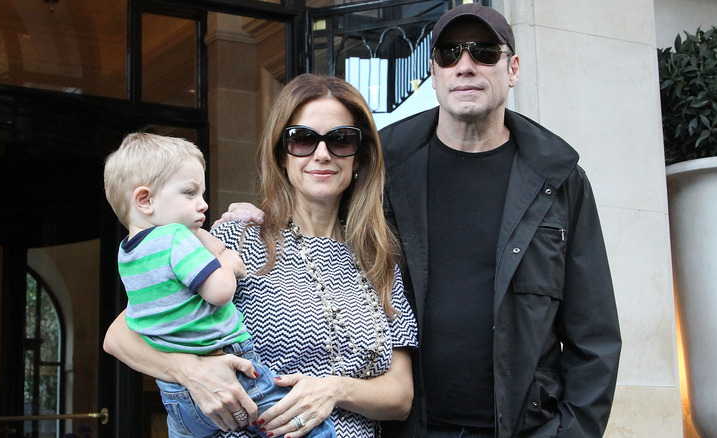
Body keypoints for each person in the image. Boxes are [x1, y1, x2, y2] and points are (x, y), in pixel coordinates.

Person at [218, 4, 622, 437]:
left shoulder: (558, 181)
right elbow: (313, 193)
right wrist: (248, 222)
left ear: (514, 68)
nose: (464, 66)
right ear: (433, 71)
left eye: (484, 52)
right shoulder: (386, 169)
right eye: (449, 54)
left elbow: (593, 337)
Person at [103, 74, 418, 438]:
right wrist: (190, 371)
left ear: (359, 156)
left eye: (340, 140)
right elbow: (120, 336)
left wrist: (332, 390)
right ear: (281, 155)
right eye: (302, 139)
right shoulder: (235, 238)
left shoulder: (378, 257)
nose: (322, 153)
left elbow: (401, 394)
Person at [103, 132, 336, 438]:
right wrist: (225, 260)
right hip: (228, 367)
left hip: (175, 396)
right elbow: (220, 291)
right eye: (189, 193)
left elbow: (141, 315)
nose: (203, 204)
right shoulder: (176, 238)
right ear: (145, 200)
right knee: (312, 427)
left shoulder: (127, 252)